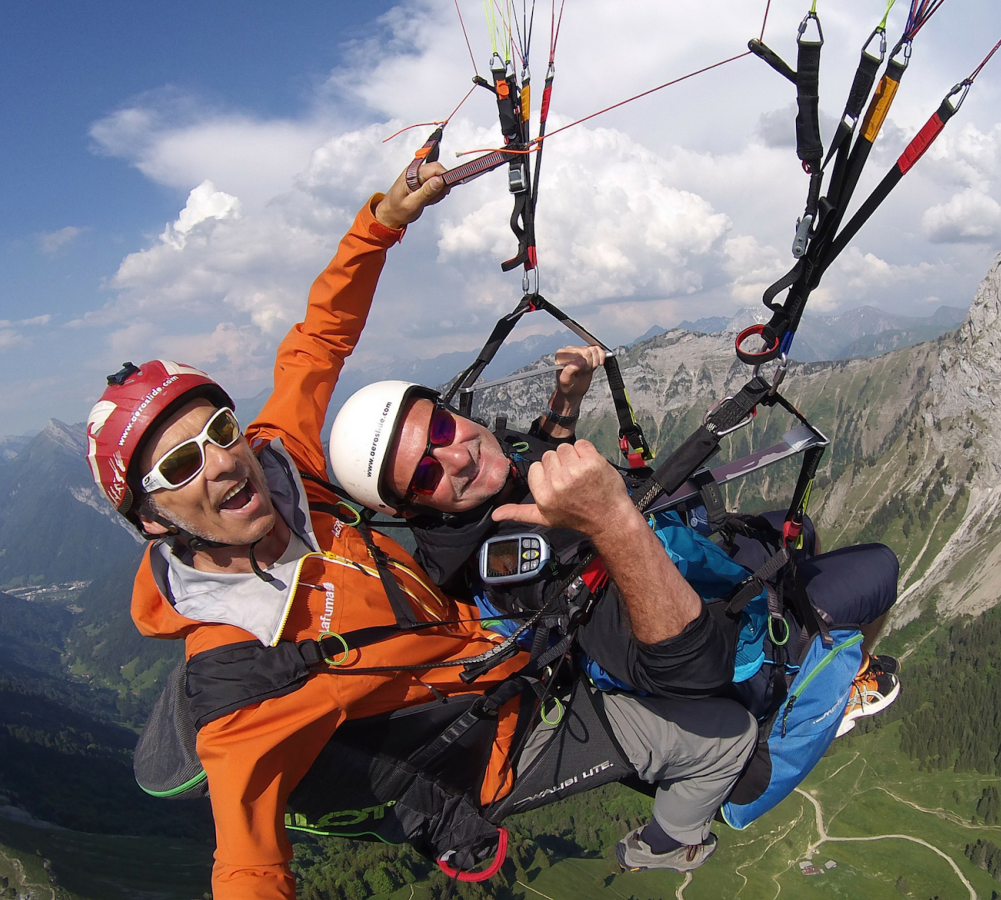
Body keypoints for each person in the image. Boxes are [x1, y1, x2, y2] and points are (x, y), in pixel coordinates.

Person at [85, 161, 750, 898]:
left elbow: (317, 342)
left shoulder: (285, 468)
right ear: (151, 520)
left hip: (493, 642)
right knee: (726, 741)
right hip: (495, 736)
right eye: (180, 465)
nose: (220, 463)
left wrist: (382, 223)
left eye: (218, 428)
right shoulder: (239, 671)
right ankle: (669, 843)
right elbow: (247, 863)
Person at [327, 349, 903, 748]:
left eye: (444, 430)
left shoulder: (479, 497)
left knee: (792, 528)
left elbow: (525, 455)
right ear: (411, 510)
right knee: (879, 566)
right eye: (427, 472)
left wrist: (565, 401)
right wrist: (613, 521)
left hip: (692, 558)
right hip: (728, 647)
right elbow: (689, 671)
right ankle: (822, 688)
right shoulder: (518, 563)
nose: (458, 456)